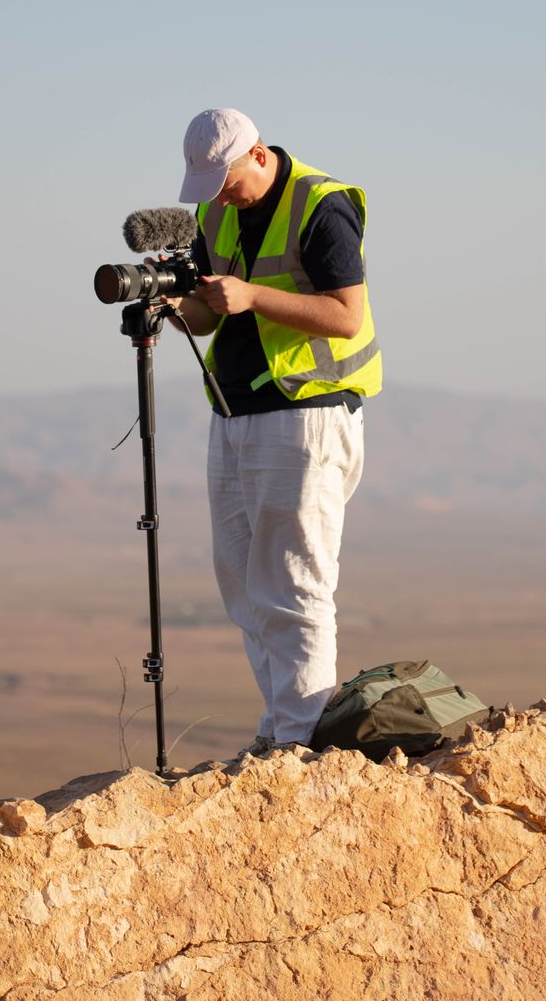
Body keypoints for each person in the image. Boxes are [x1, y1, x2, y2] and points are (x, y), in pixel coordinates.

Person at [167, 107, 382, 757]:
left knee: (294, 580)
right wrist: (175, 305)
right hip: (234, 416)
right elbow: (209, 318)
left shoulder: (320, 204)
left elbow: (347, 317)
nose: (222, 197)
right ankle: (280, 724)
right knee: (243, 581)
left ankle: (302, 741)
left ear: (258, 154)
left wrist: (253, 295)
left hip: (306, 413)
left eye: (228, 181)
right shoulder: (216, 213)